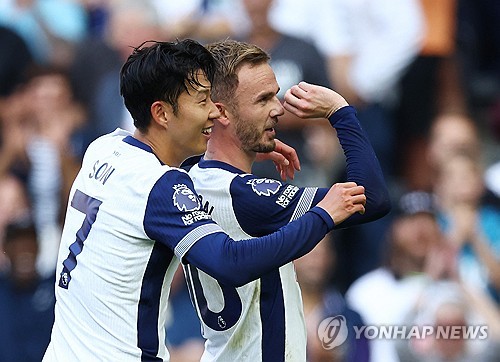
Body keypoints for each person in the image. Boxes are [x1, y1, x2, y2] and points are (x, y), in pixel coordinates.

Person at [42, 39, 368, 361]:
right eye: (201, 101)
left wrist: (248, 146)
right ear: (162, 113)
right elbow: (230, 262)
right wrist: (322, 216)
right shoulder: (160, 186)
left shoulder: (104, 148)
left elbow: (162, 173)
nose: (213, 112)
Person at [185, 39, 390, 361]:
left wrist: (254, 149)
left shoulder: (190, 178)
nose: (278, 108)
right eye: (264, 99)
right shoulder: (244, 195)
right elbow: (373, 197)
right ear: (221, 112)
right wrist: (340, 111)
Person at [0, 215, 56, 362]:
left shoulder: (55, 291)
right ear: (5, 247)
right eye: (17, 243)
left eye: (29, 242)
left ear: (38, 247)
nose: (24, 251)